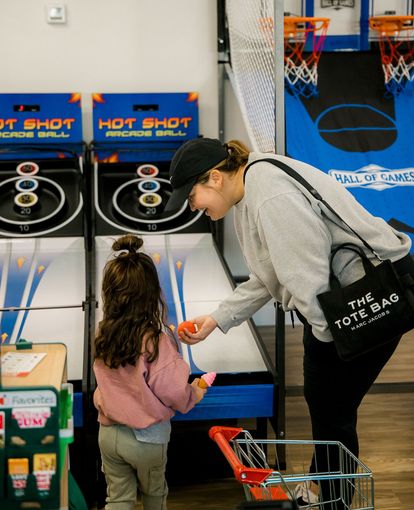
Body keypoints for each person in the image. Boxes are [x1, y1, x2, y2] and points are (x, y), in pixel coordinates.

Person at [165, 137, 414, 508]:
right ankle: (324, 492)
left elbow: (306, 276)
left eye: (191, 197)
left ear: (214, 178)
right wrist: (218, 319)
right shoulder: (253, 184)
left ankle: (332, 500)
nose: (193, 207)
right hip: (351, 299)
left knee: (331, 409)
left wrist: (325, 340)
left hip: (368, 297)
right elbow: (272, 274)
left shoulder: (269, 197)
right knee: (331, 408)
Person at [93, 234, 206, 510]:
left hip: (108, 434)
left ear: (110, 293)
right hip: (147, 438)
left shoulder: (103, 333)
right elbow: (172, 390)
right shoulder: (156, 340)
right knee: (154, 495)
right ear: (151, 293)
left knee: (117, 499)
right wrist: (195, 392)